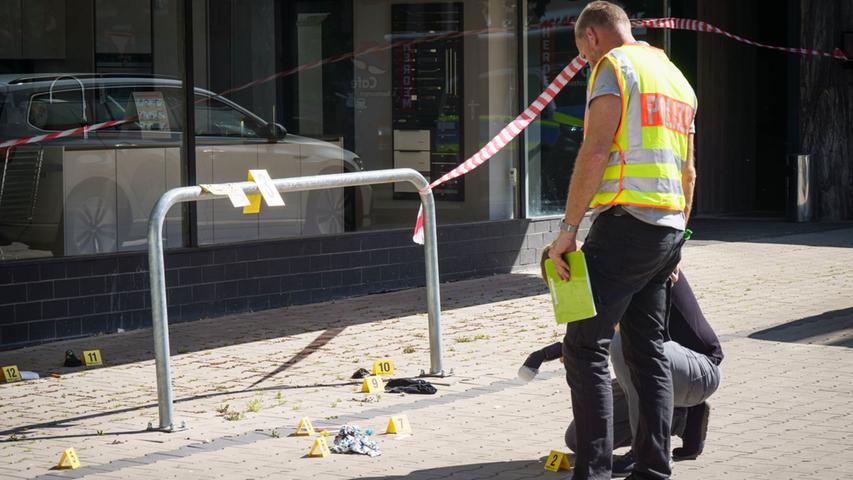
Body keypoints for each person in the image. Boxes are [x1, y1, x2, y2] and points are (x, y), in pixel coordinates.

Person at [546, 2, 698, 479]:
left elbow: (595, 148)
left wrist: (567, 231)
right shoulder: (676, 78)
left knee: (585, 346)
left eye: (583, 54)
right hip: (667, 227)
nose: (587, 63)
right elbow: (688, 172)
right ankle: (654, 468)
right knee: (646, 348)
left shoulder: (614, 66)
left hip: (626, 222)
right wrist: (679, 241)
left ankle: (591, 471)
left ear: (592, 37)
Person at [519, 247, 723, 477]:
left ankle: (649, 454)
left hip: (700, 370)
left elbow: (615, 333)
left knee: (625, 342)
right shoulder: (600, 285)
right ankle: (682, 419)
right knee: (579, 439)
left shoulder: (628, 272)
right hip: (661, 372)